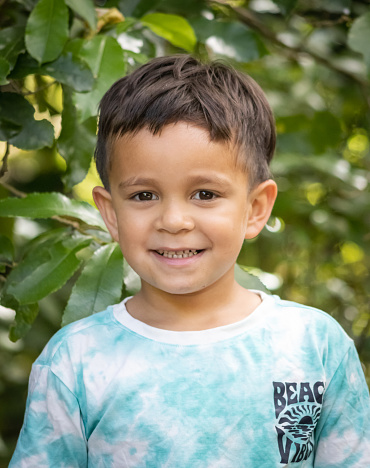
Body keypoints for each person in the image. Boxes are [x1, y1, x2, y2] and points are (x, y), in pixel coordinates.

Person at [10, 55, 370, 467]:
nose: (174, 221)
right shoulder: (76, 360)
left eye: (205, 194)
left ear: (255, 209)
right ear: (110, 214)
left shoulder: (314, 345)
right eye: (144, 195)